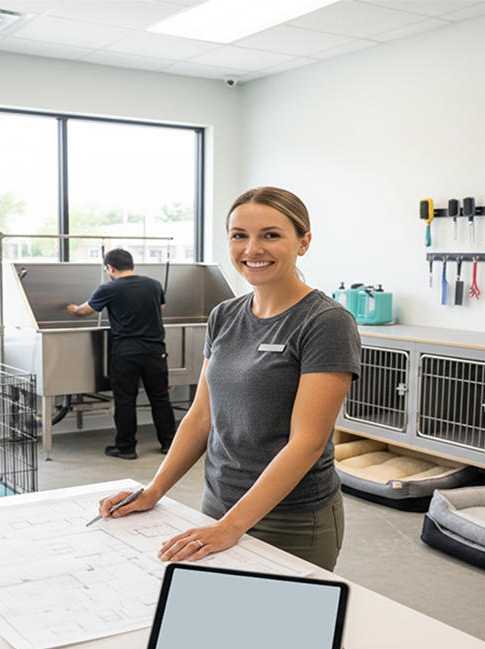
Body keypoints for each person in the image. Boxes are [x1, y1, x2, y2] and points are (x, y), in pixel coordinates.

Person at [95, 187, 361, 571]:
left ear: (303, 242)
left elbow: (307, 442)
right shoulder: (225, 315)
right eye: (240, 235)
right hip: (217, 504)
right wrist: (154, 490)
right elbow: (202, 417)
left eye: (271, 235)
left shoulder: (325, 322)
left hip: (291, 518)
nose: (253, 249)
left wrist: (232, 526)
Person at [67, 248, 175, 459]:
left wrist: (71, 309)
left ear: (110, 268)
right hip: (155, 352)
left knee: (126, 401)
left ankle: (126, 447)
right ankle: (169, 444)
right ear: (133, 266)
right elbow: (160, 306)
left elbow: (83, 311)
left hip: (126, 353)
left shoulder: (109, 288)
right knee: (161, 399)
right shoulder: (154, 284)